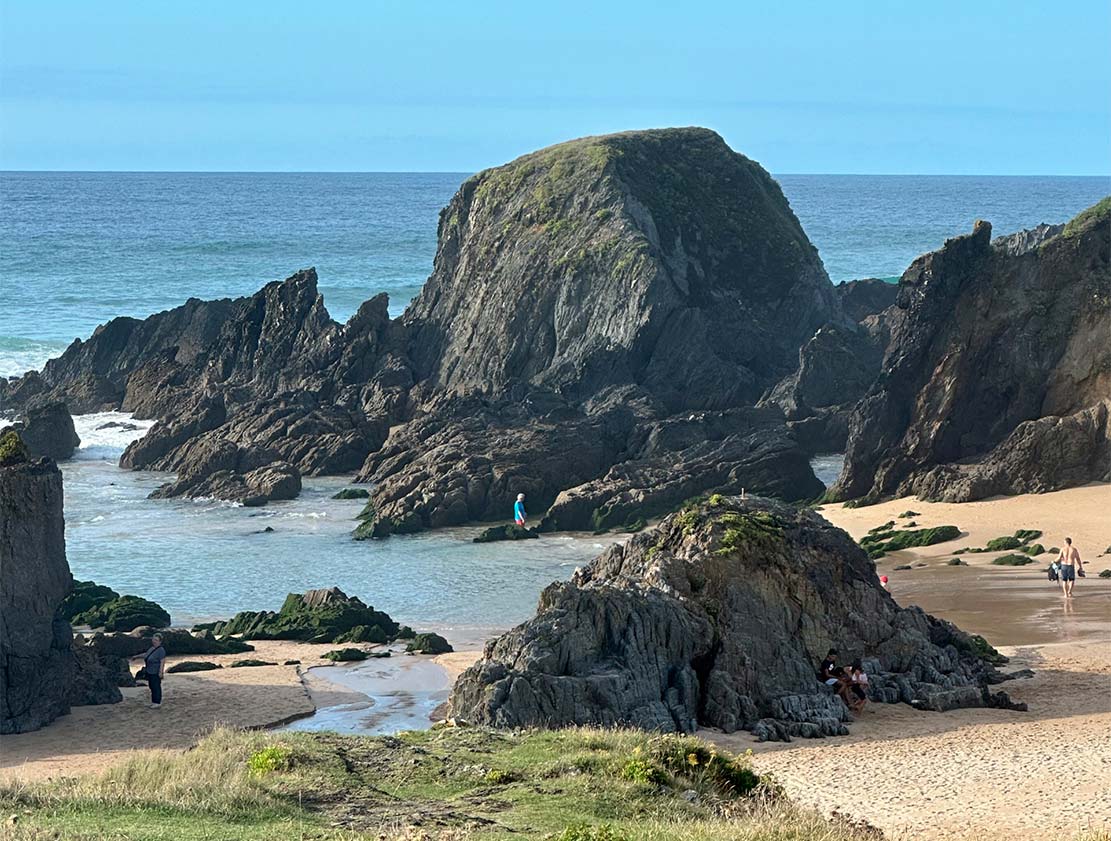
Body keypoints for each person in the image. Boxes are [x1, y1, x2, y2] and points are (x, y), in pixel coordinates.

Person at [141, 634, 167, 708]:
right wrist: (136, 656)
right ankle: (154, 702)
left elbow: (162, 661)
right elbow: (146, 654)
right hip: (149, 670)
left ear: (160, 642)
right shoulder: (152, 648)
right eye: (153, 639)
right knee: (152, 686)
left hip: (155, 671)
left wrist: (161, 672)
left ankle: (157, 702)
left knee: (156, 687)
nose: (154, 641)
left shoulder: (161, 650)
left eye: (156, 640)